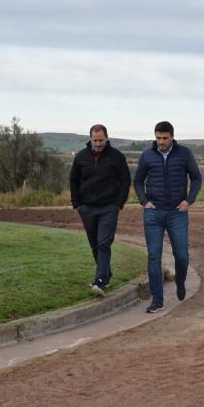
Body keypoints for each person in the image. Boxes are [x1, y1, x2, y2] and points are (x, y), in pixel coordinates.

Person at [133, 120, 202, 313]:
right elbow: (138, 181)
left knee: (182, 256)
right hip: (153, 213)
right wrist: (144, 201)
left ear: (172, 137)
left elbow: (196, 178)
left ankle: (180, 281)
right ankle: (157, 300)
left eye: (164, 138)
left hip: (177, 213)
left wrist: (189, 200)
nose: (160, 141)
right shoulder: (147, 155)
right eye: (158, 138)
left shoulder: (184, 154)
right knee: (154, 257)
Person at [69, 124, 132, 297]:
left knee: (104, 243)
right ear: (90, 139)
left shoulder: (117, 157)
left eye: (101, 140)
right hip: (87, 208)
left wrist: (118, 204)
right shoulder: (81, 157)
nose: (98, 144)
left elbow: (125, 180)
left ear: (106, 138)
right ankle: (106, 273)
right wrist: (76, 204)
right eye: (95, 140)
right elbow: (73, 180)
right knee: (94, 245)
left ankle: (100, 282)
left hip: (108, 208)